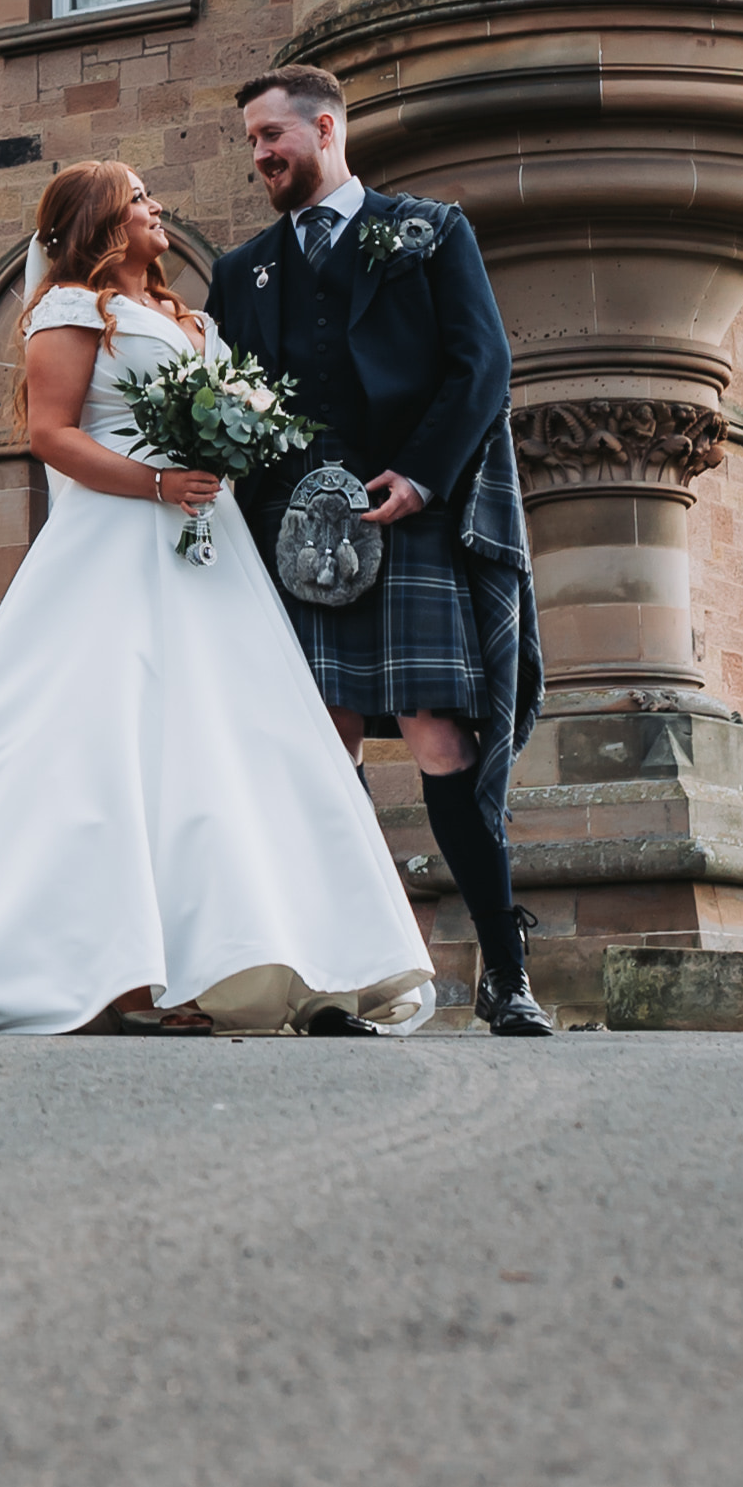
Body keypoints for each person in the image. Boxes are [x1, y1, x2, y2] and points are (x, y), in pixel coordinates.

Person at [0, 161, 438, 1037]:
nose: (156, 206)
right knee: (108, 738)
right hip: (120, 536)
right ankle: (124, 977)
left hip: (209, 543)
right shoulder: (69, 309)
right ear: (102, 220)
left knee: (228, 737)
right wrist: (156, 483)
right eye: (138, 198)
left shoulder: (188, 317)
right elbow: (53, 435)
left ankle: (272, 961)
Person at [202, 66, 556, 1037]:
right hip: (296, 539)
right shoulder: (240, 272)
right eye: (250, 141)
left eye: (271, 135)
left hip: (409, 519)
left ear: (325, 128)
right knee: (327, 746)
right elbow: (229, 403)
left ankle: (505, 973)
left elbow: (481, 363)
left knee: (441, 739)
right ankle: (340, 977)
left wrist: (422, 475)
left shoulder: (428, 231)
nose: (260, 154)